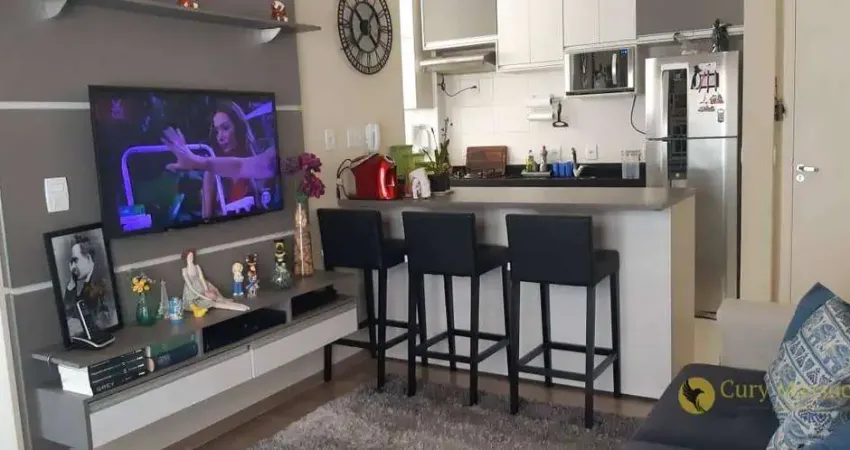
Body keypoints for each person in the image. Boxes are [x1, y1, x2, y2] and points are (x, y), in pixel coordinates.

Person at [161, 101, 279, 218]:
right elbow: (207, 220)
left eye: (225, 128)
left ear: (239, 127)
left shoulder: (263, 161)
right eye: (216, 131)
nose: (220, 137)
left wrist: (196, 161)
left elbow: (243, 166)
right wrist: (195, 161)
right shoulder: (212, 173)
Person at [63, 235, 113, 336]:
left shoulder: (100, 286)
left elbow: (104, 321)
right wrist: (72, 283)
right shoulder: (78, 285)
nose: (72, 267)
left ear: (89, 259)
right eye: (71, 262)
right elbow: (68, 312)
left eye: (75, 260)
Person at [181, 249, 249, 312]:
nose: (191, 258)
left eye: (192, 256)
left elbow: (201, 278)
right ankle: (235, 307)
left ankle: (226, 301)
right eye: (189, 256)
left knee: (215, 292)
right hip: (194, 294)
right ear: (186, 258)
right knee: (212, 302)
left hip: (202, 285)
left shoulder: (197, 266)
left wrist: (206, 290)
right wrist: (204, 297)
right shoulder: (184, 270)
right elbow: (191, 287)